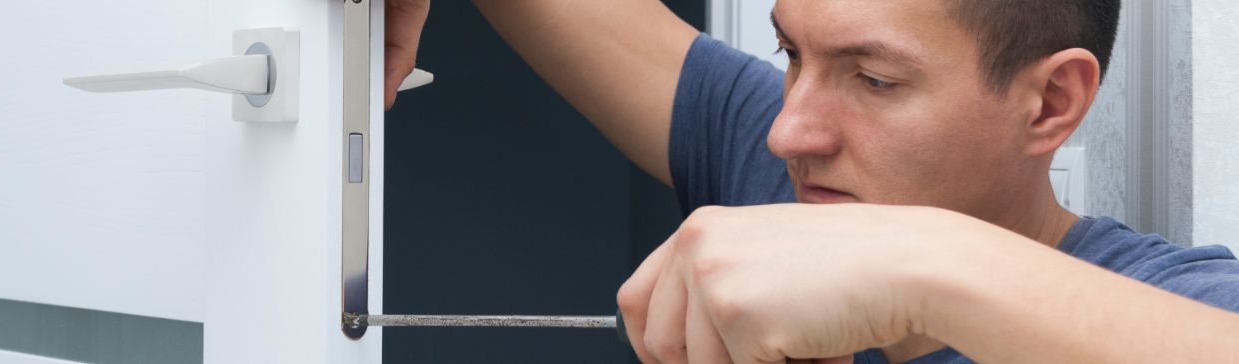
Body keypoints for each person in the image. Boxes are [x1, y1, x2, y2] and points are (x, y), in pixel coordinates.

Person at [385, 0, 1239, 362]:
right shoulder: (791, 175)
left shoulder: (1169, 300)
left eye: (874, 80)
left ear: (1051, 102)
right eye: (791, 55)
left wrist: (917, 273)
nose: (788, 129)